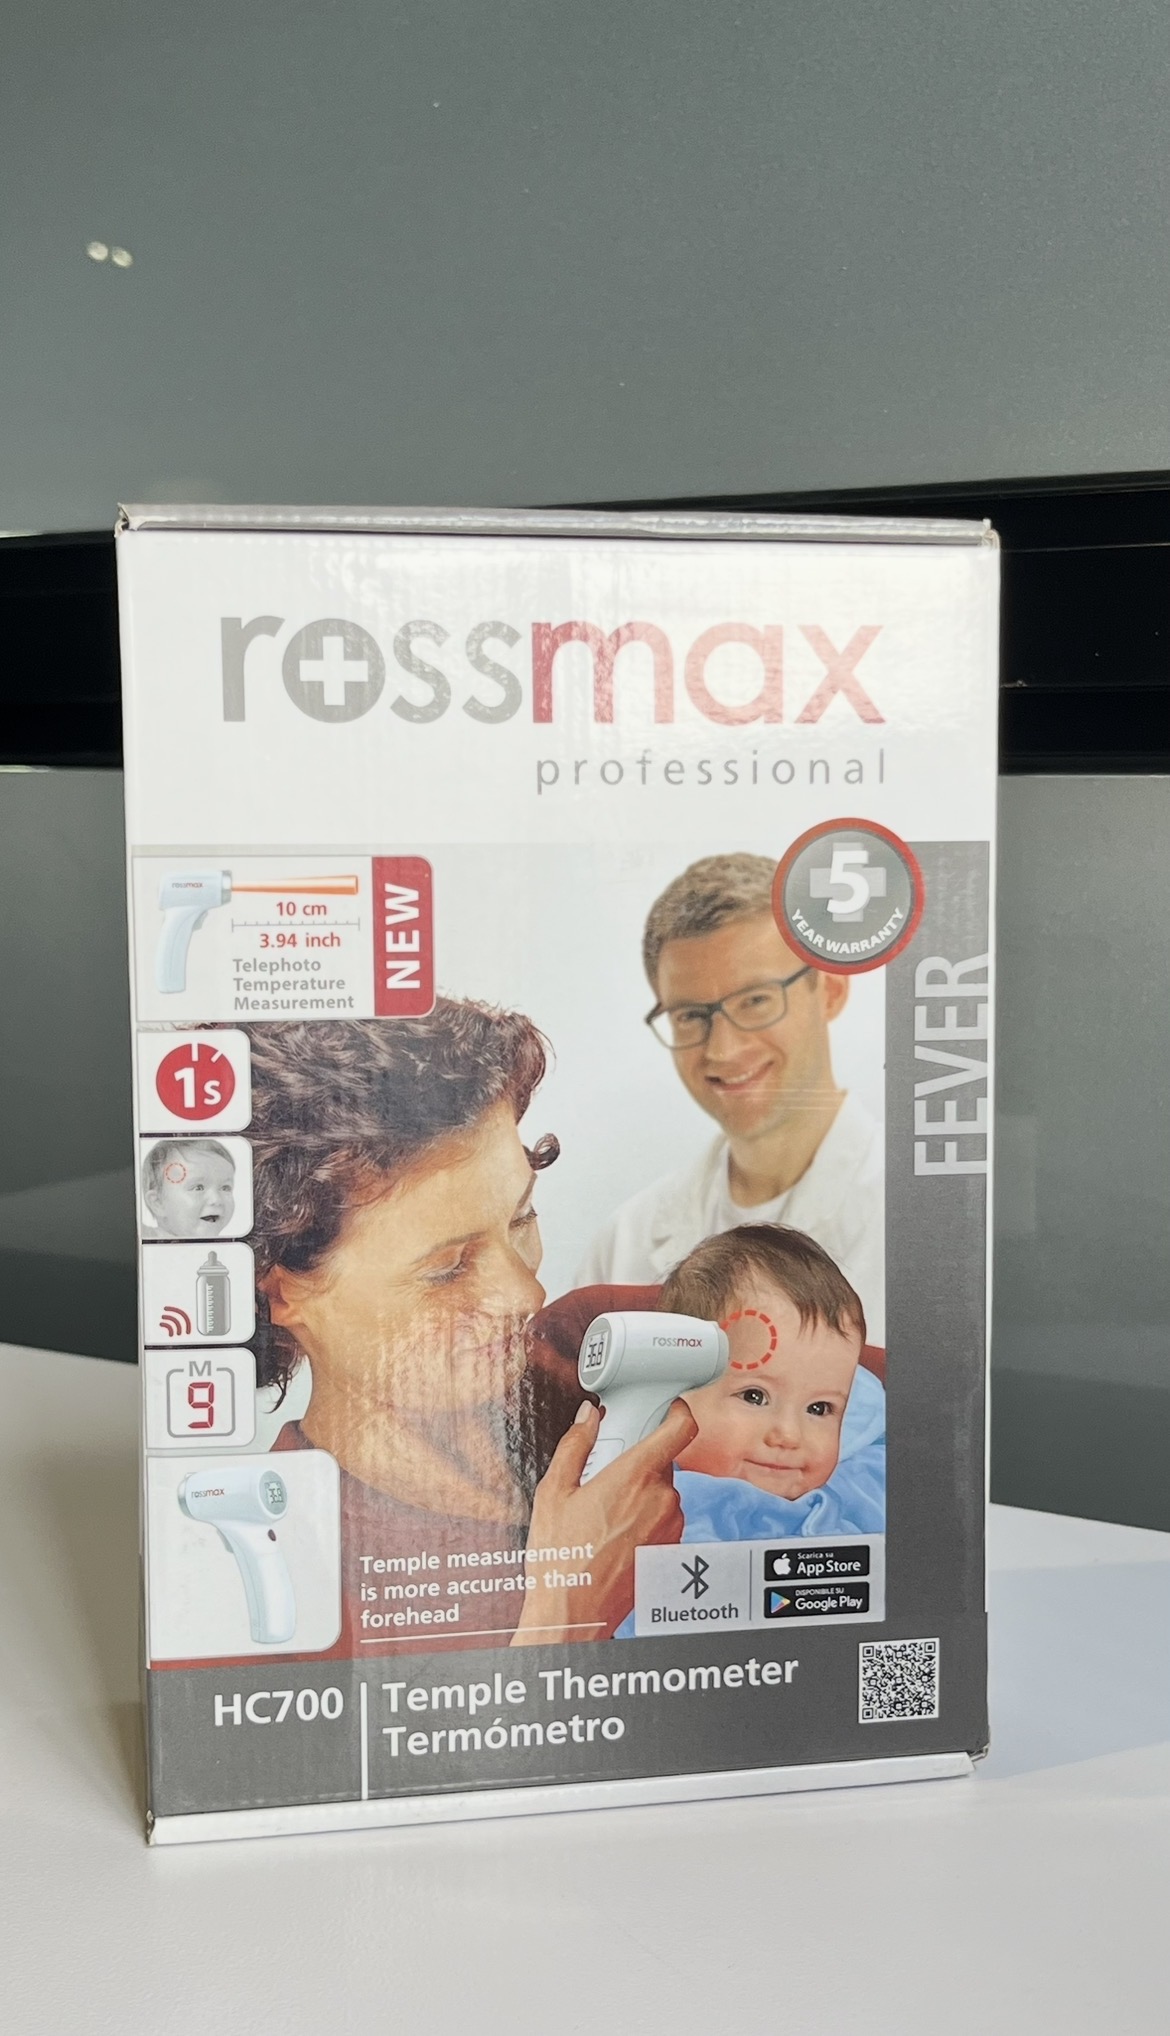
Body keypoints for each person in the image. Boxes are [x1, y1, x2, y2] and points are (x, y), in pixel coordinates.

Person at [246, 1008, 695, 1657]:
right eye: (447, 1268)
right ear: (283, 1291)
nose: (526, 1296)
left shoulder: (602, 1343)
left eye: (522, 1217)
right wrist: (567, 1613)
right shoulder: (283, 1567)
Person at [579, 852, 884, 1342]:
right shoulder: (625, 1245)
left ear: (830, 989)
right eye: (690, 1016)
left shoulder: (918, 1221)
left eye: (756, 1000)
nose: (723, 1049)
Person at [142, 1136, 236, 1238]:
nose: (216, 1200)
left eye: (225, 1188)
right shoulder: (147, 1237)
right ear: (158, 1203)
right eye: (198, 1188)